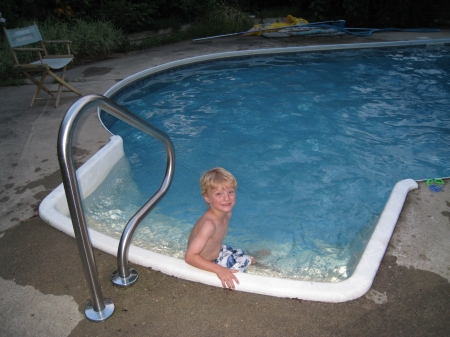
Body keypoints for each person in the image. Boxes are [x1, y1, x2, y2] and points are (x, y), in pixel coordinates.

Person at [185, 167, 255, 289]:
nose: (226, 198)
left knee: (249, 258)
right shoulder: (209, 225)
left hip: (218, 252)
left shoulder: (227, 214)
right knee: (243, 268)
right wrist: (219, 270)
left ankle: (252, 259)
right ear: (207, 198)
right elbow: (190, 257)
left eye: (230, 192)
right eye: (219, 194)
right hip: (207, 262)